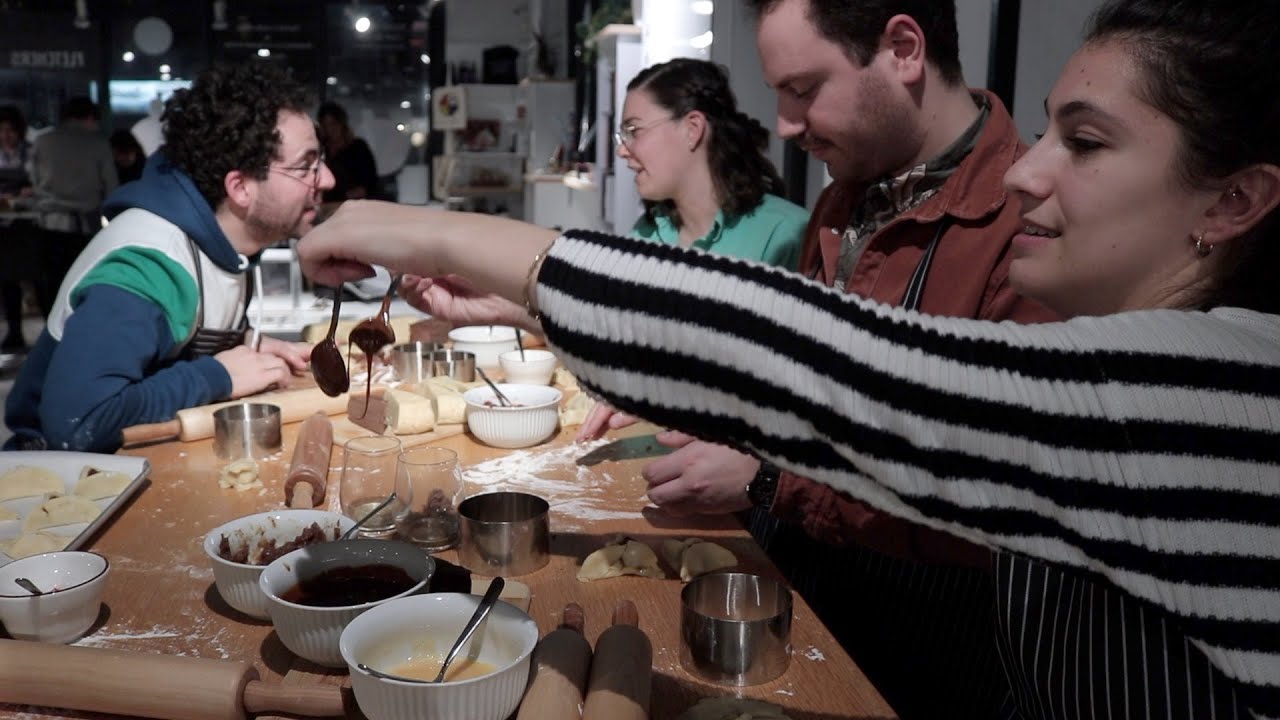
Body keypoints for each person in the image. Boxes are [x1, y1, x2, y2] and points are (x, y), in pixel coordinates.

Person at [297, 1, 1280, 716]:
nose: (1027, 170)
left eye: (1087, 142)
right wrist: (527, 305)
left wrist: (422, 228)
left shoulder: (1229, 394)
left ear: (1231, 200)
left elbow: (824, 366)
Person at [587, 2, 1056, 717]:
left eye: (803, 90)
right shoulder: (843, 204)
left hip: (921, 658)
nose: (783, 124)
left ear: (903, 49)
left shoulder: (1025, 233)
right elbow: (802, 396)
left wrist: (771, 477)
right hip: (798, 608)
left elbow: (996, 498)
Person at [4, 62, 332, 452]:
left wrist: (245, 346)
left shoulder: (224, 241)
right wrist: (219, 375)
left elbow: (168, 339)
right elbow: (79, 423)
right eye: (306, 167)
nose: (326, 179)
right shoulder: (149, 267)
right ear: (240, 187)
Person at [618, 58, 806, 267]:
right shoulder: (642, 235)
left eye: (633, 131)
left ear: (693, 128)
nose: (621, 150)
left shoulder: (785, 235)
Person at [29, 97, 118, 318]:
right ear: (89, 118)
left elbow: (33, 179)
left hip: (48, 224)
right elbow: (112, 186)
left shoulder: (43, 141)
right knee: (84, 284)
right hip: (86, 227)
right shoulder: (98, 143)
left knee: (52, 285)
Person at [0, 105, 35, 352]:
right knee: (7, 280)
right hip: (3, 224)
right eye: (1, 131)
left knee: (36, 277)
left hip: (28, 222)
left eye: (10, 130)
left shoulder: (31, 153)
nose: (6, 136)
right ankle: (14, 332)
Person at [317, 101, 381, 204]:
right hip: (328, 204)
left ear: (342, 124)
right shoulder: (322, 150)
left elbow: (370, 181)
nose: (329, 129)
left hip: (355, 205)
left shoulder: (358, 148)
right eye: (325, 125)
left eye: (333, 124)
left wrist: (354, 194)